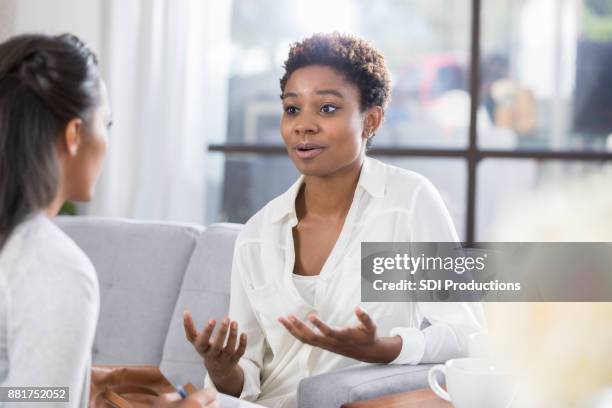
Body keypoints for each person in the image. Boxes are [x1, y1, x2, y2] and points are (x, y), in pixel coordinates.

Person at [184, 33, 485, 408]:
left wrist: (382, 348)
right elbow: (245, 379)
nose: (303, 125)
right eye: (292, 109)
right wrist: (220, 368)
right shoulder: (258, 235)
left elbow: (465, 331)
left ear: (371, 120)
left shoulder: (407, 202)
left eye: (327, 108)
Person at [0, 33, 217, 408]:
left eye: (327, 108)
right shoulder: (53, 268)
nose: (304, 125)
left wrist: (74, 385)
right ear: (74, 135)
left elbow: (17, 393)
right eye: (108, 124)